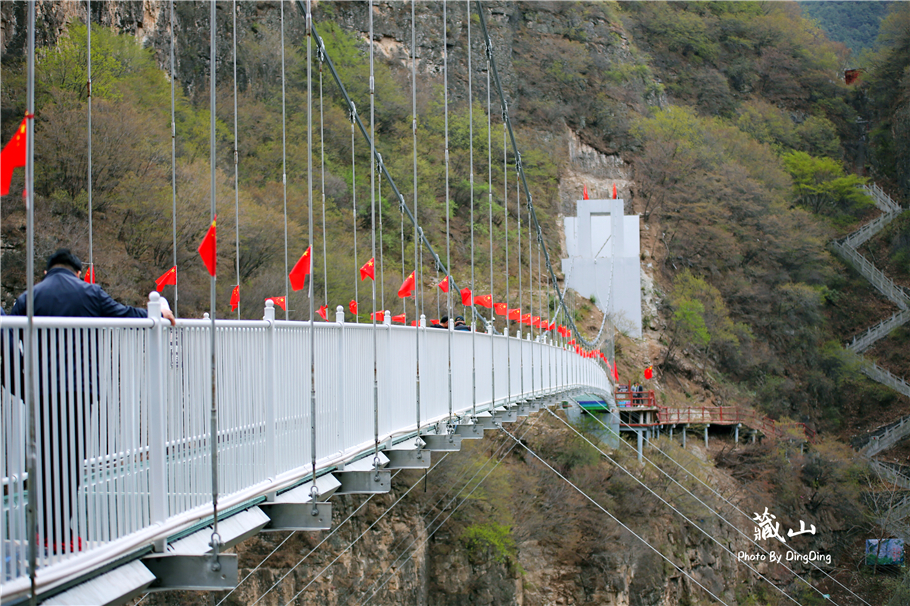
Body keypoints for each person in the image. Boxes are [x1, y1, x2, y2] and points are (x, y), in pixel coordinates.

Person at [9, 249, 175, 552]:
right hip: (78, 390)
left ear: (46, 272)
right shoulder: (89, 292)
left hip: (41, 391)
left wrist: (21, 383)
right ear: (79, 272)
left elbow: (7, 334)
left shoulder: (29, 297)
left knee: (45, 460)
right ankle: (62, 533)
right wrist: (156, 314)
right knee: (69, 461)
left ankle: (43, 533)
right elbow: (125, 314)